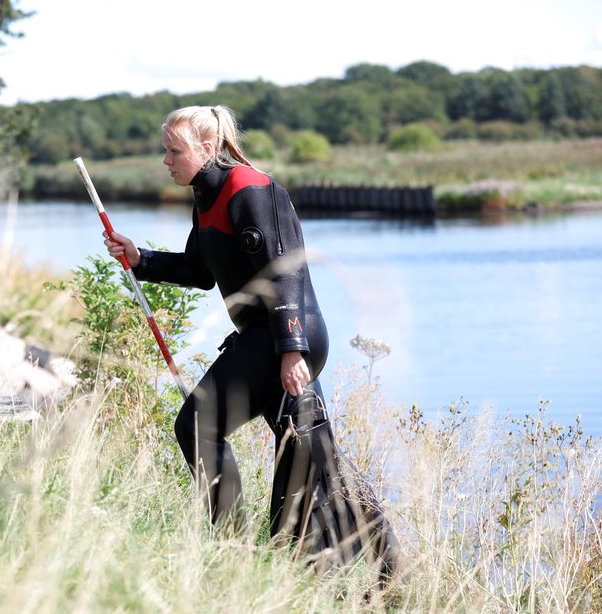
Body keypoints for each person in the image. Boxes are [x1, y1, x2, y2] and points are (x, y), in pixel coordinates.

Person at [103, 105, 397, 576]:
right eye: (166, 151)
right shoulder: (206, 196)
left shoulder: (250, 189)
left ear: (206, 148)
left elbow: (288, 270)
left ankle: (232, 554)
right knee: (315, 456)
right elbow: (200, 272)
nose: (166, 160)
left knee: (197, 426)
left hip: (283, 338)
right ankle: (389, 571)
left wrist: (292, 349)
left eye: (173, 151)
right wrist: (141, 259)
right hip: (271, 341)